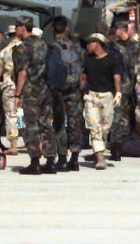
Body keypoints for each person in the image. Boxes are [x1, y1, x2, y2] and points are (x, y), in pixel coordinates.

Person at [12, 15, 56, 175]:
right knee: (46, 124)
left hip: (31, 91)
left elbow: (22, 72)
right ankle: (51, 161)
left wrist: (17, 94)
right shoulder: (43, 44)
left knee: (31, 125)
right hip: (45, 89)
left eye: (17, 27)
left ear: (23, 28)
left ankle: (35, 162)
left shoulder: (23, 47)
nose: (15, 30)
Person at [80, 32, 121, 170]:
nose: (87, 46)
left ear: (97, 44)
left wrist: (118, 93)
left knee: (105, 127)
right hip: (92, 96)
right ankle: (100, 158)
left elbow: (117, 77)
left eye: (90, 43)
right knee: (94, 126)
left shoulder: (112, 59)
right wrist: (80, 92)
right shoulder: (87, 59)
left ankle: (98, 148)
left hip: (107, 96)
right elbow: (83, 77)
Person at [48, 15, 84, 171]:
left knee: (59, 123)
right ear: (67, 29)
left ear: (53, 29)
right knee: (75, 122)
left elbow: (50, 70)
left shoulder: (52, 47)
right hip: (74, 89)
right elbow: (83, 70)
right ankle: (74, 158)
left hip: (59, 90)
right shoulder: (76, 47)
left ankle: (62, 157)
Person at [107, 22, 138, 160]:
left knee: (115, 116)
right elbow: (131, 69)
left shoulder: (110, 50)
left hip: (116, 87)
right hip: (123, 86)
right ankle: (117, 146)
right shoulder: (121, 49)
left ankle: (115, 145)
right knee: (119, 116)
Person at [0, 25, 22, 155]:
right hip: (28, 86)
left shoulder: (5, 51)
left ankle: (13, 145)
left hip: (10, 87)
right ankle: (39, 145)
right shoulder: (27, 49)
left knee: (11, 115)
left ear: (9, 36)